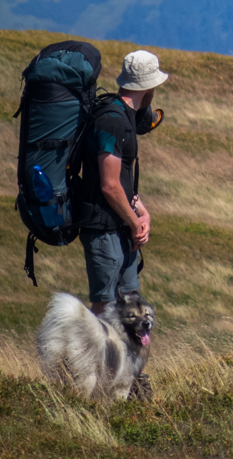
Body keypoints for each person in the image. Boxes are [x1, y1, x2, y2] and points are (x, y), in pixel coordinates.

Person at [78, 50, 166, 316]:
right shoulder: (112, 121)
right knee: (105, 307)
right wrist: (134, 222)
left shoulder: (122, 115)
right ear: (148, 87)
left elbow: (123, 182)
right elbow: (110, 185)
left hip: (119, 227)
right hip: (103, 228)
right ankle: (92, 359)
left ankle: (118, 359)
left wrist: (142, 212)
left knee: (129, 305)